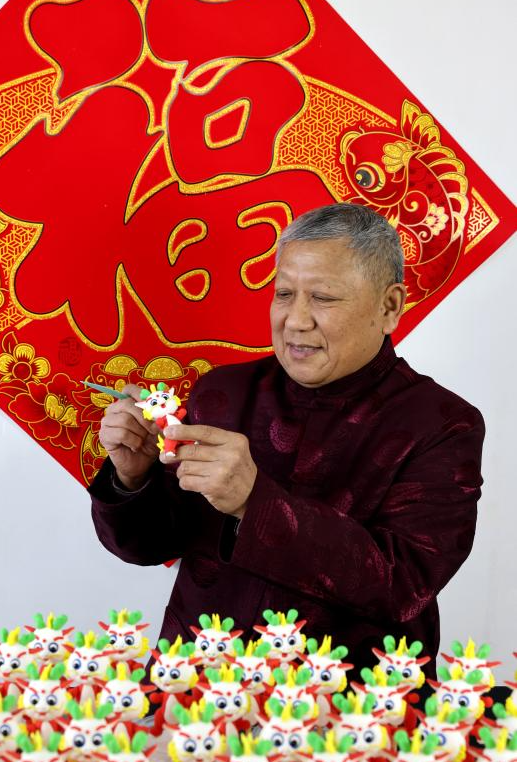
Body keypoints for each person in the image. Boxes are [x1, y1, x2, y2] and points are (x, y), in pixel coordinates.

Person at [88, 203, 485, 681]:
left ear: (389, 306)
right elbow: (149, 544)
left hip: (354, 700)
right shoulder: (223, 392)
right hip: (198, 686)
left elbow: (404, 585)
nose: (295, 320)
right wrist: (133, 478)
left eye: (323, 297)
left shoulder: (443, 425)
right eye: (284, 293)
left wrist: (253, 502)